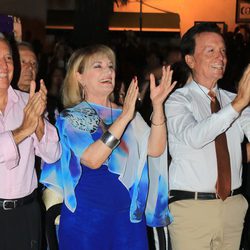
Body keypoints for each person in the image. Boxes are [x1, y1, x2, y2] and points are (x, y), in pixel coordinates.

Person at [40, 44, 176, 250]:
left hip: (128, 219)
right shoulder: (71, 116)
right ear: (79, 77)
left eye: (111, 66)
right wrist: (124, 118)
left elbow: (155, 149)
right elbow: (93, 159)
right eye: (98, 66)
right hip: (86, 220)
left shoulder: (128, 113)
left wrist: (158, 107)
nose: (108, 72)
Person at [165, 22, 250, 250]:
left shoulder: (236, 100)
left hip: (233, 206)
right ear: (190, 60)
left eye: (223, 51)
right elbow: (195, 136)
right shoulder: (177, 100)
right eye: (210, 51)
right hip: (191, 208)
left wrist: (239, 104)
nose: (220, 57)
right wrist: (237, 104)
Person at [0, 37, 61, 250]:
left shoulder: (27, 102)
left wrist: (38, 122)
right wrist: (23, 130)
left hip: (25, 212)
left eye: (8, 58)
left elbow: (53, 153)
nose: (4, 65)